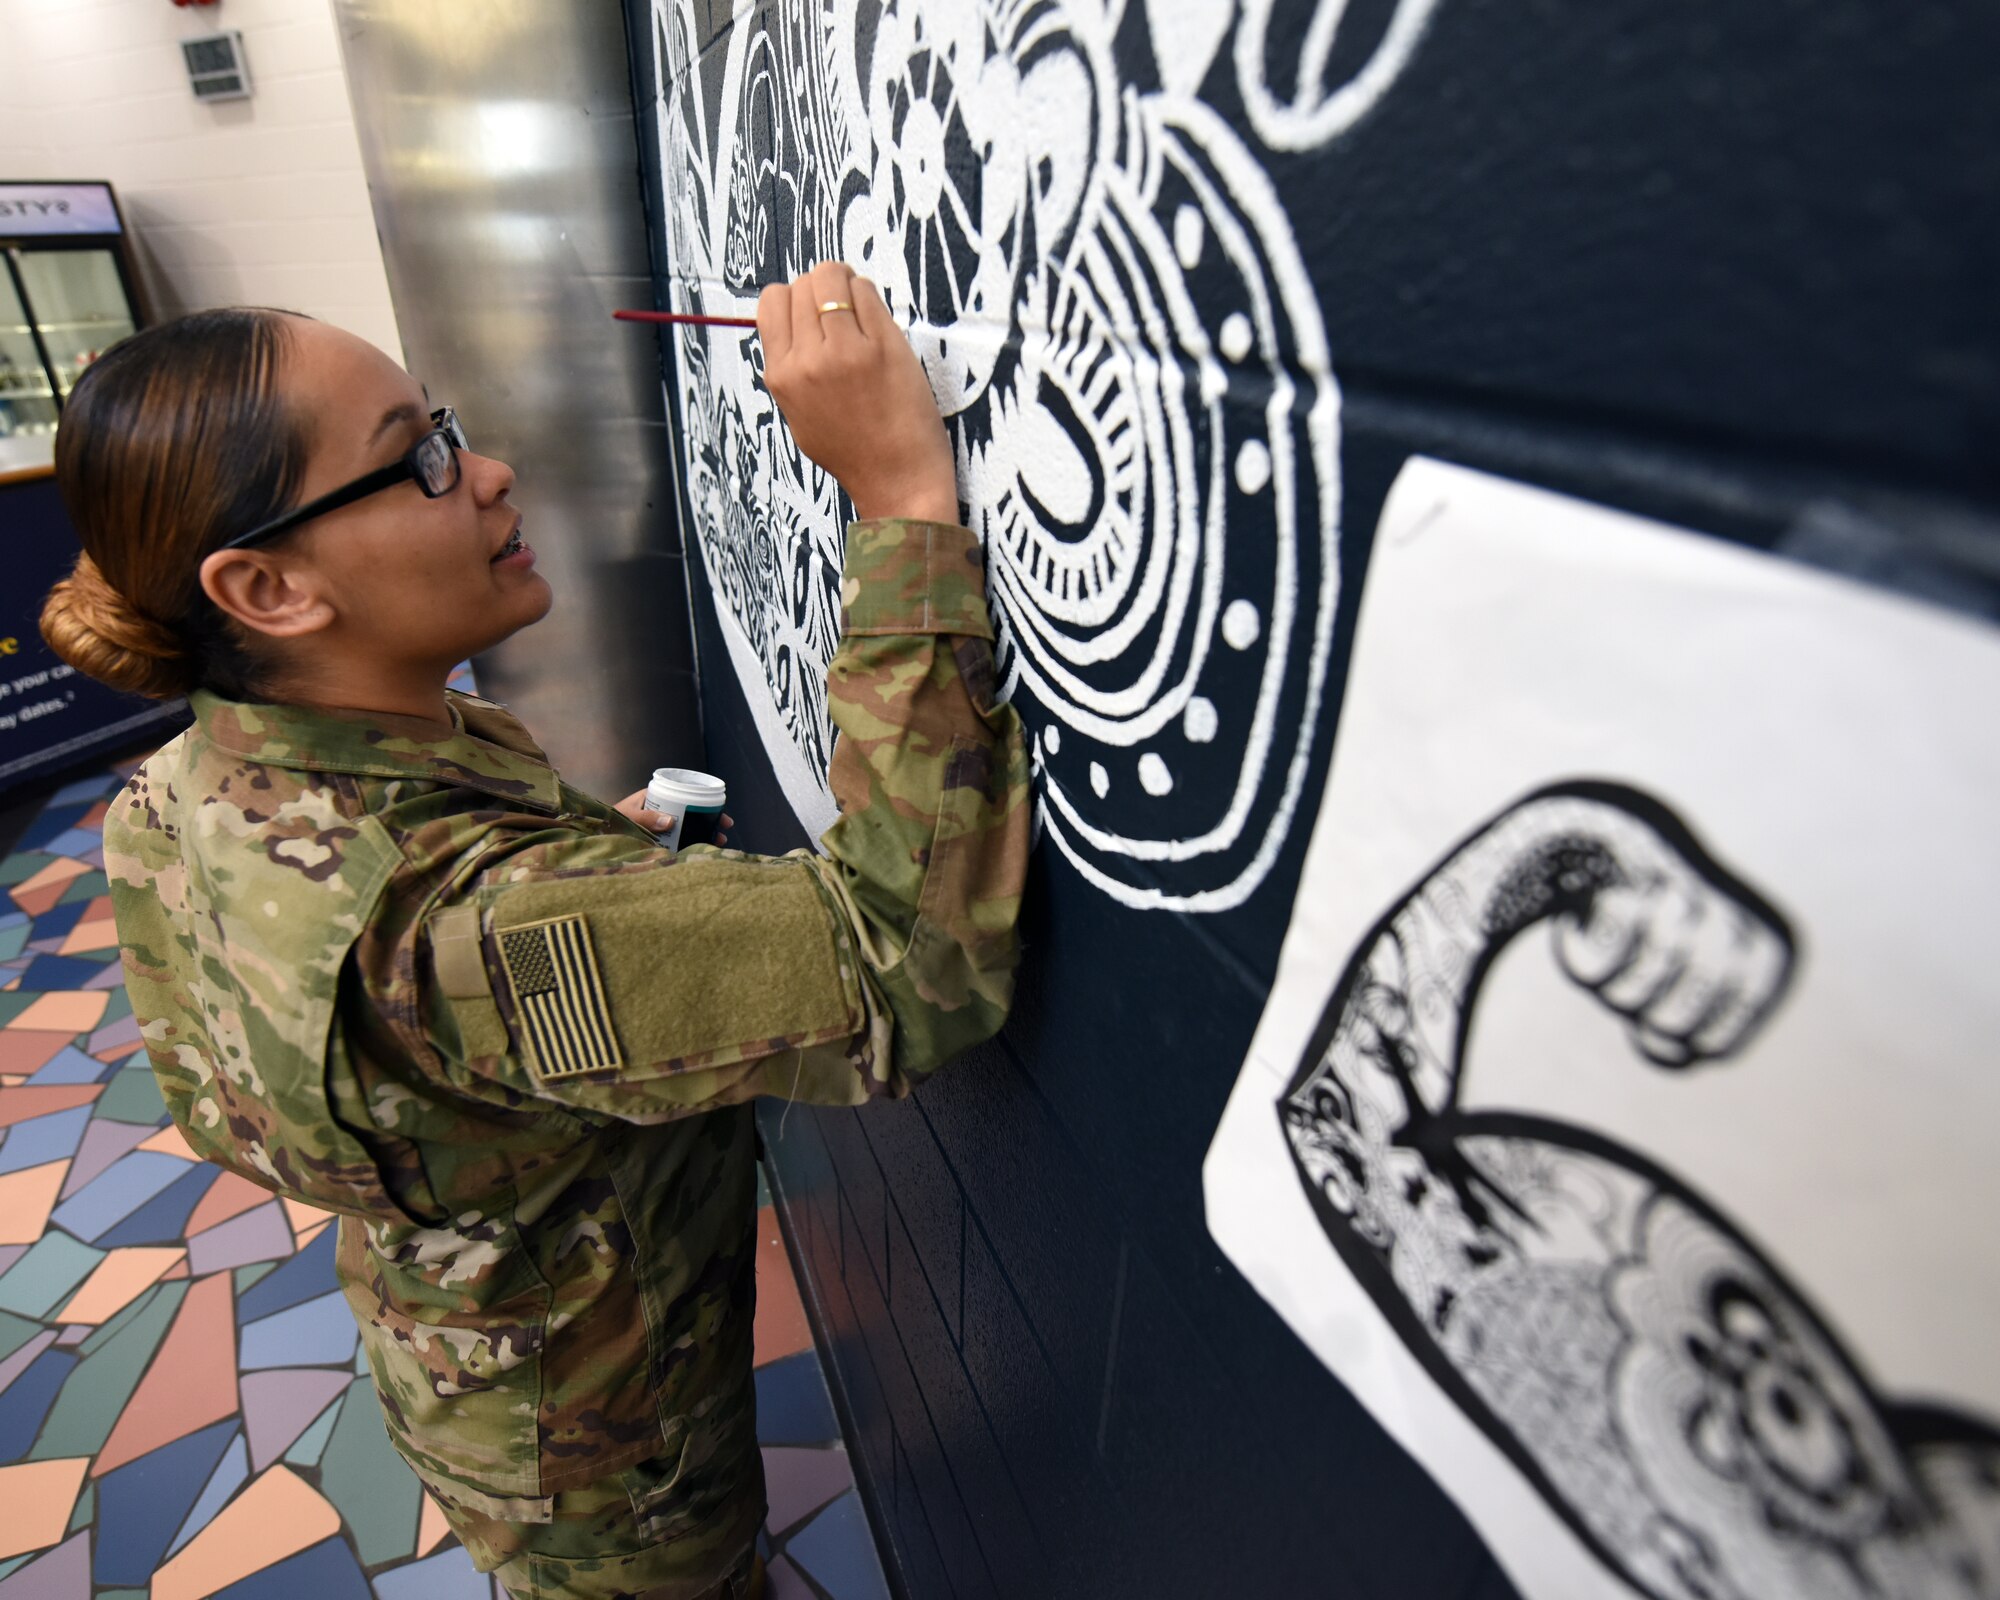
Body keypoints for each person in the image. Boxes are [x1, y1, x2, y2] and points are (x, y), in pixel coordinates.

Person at [40, 262, 1029, 1600]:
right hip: (605, 1457)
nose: (491, 471)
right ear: (268, 592)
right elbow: (910, 966)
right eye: (424, 459)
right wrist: (903, 501)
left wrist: (574, 908)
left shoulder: (190, 786)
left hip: (454, 1358)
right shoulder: (479, 929)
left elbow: (275, 1059)